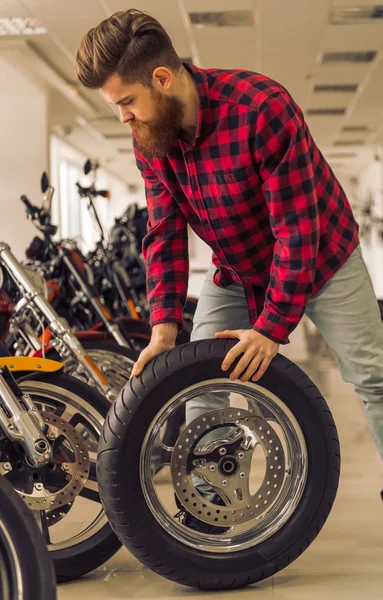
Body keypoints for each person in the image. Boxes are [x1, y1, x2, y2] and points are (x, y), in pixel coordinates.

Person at [75, 10, 383, 508]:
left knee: (375, 378)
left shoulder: (263, 108)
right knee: (201, 386)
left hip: (324, 258)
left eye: (127, 102)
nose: (123, 117)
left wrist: (271, 328)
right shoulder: (150, 137)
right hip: (237, 268)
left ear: (162, 78)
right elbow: (164, 231)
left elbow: (296, 230)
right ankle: (210, 509)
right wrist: (163, 327)